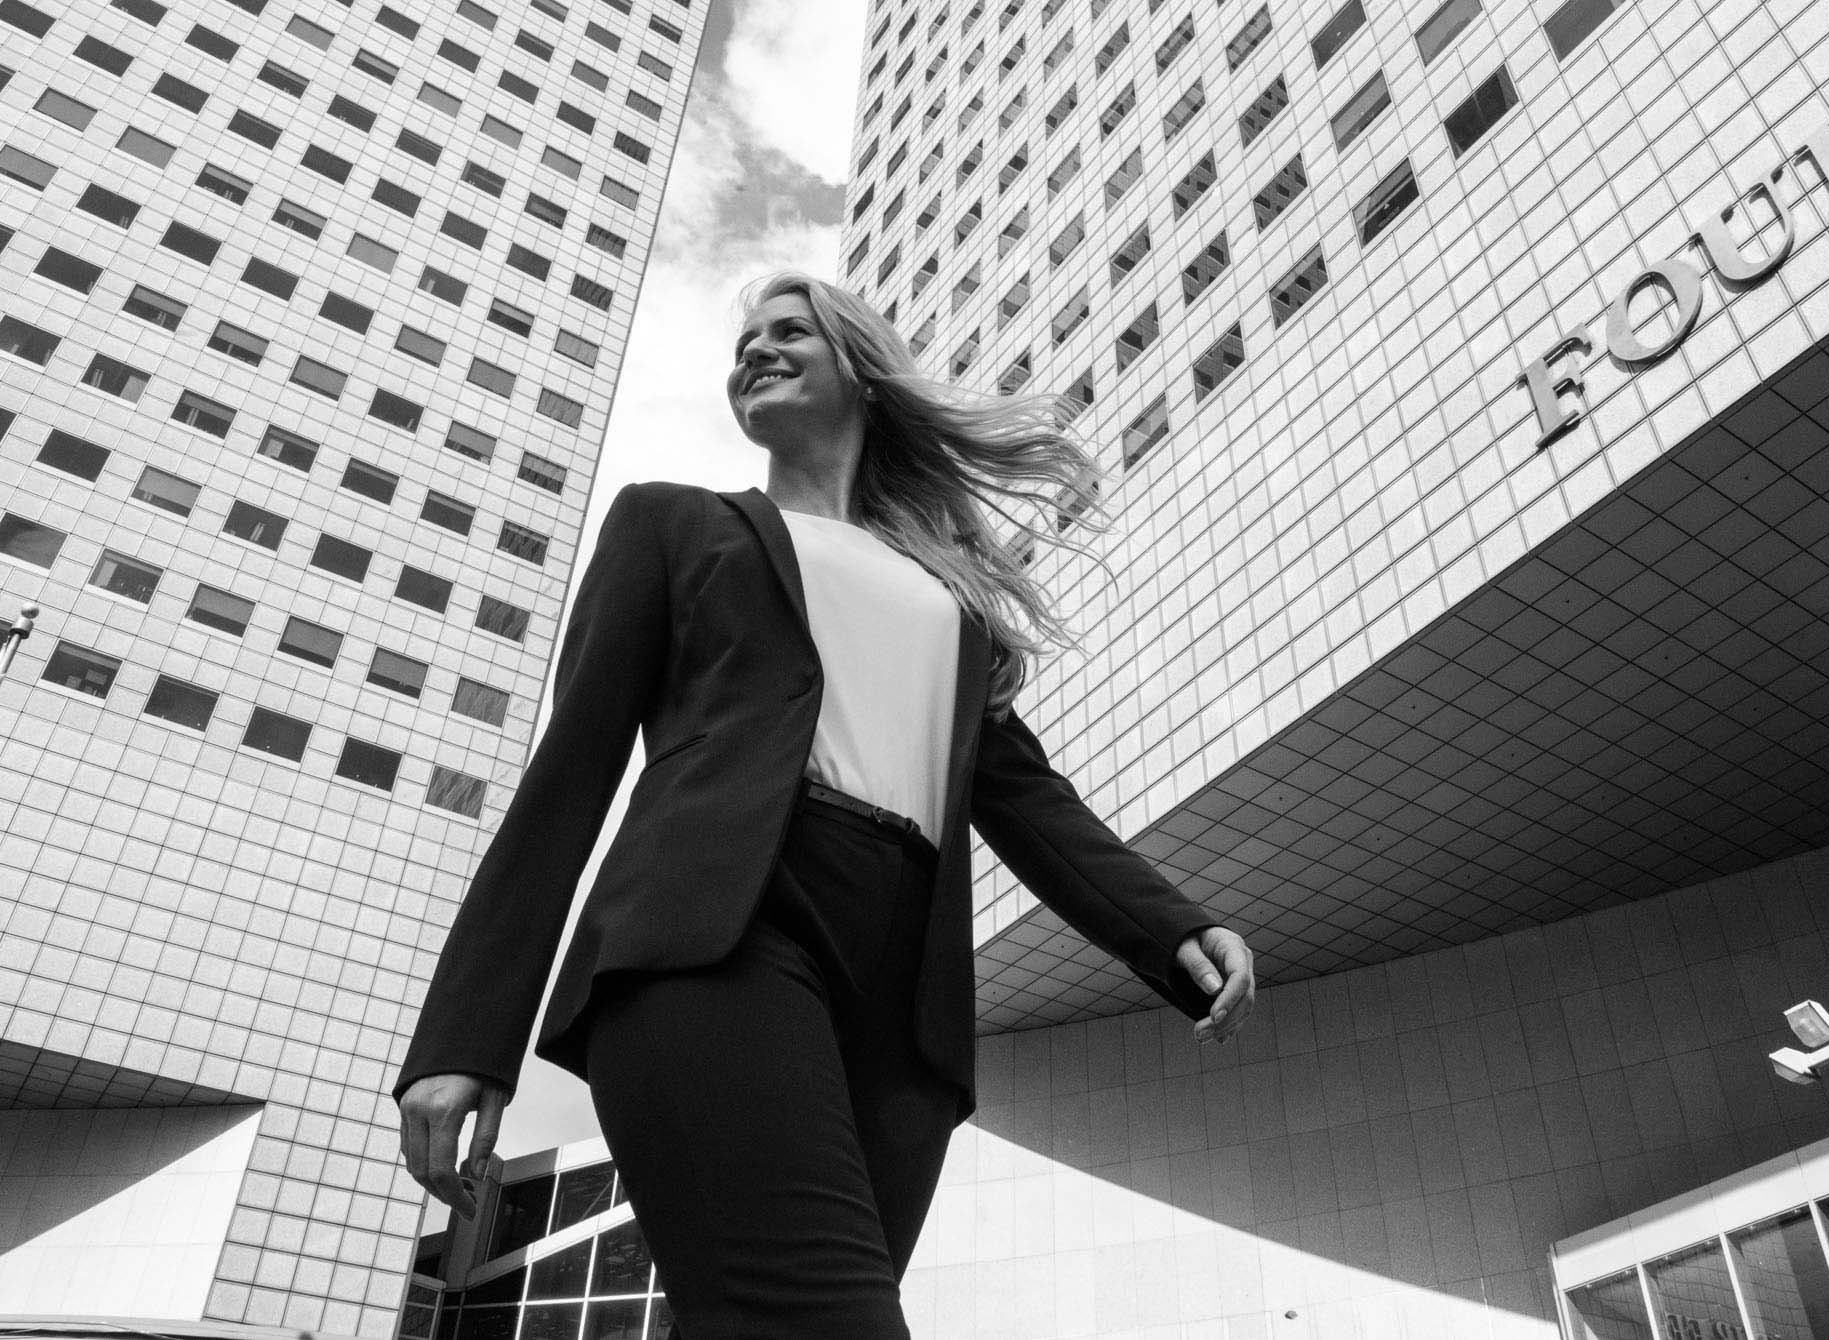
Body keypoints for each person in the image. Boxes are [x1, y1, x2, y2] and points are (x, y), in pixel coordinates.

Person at [393, 271, 1255, 1335]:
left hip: (903, 1007)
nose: (754, 350)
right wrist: (465, 1040)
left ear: (860, 368)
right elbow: (565, 781)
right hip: (720, 937)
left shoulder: (951, 599)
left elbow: (1026, 798)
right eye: (744, 339)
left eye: (789, 331)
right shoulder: (673, 526)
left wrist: (1170, 927)